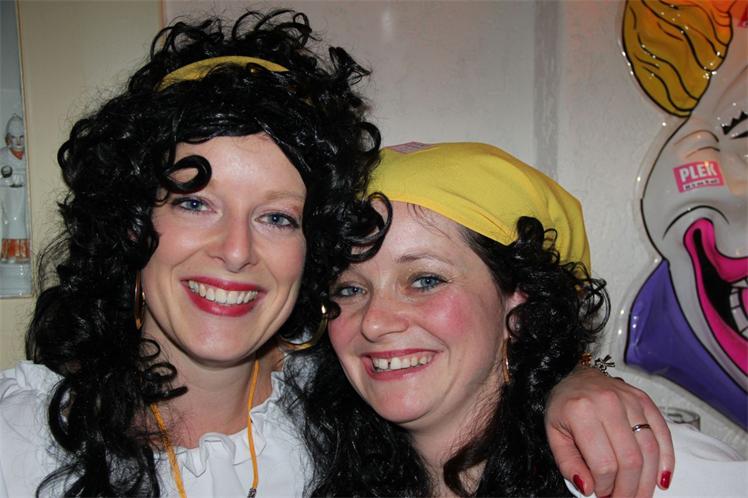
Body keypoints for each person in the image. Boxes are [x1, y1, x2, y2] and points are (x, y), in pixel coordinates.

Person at [0, 11, 673, 498]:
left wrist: (571, 377)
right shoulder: (20, 437)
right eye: (195, 203)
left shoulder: (335, 408)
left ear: (311, 249)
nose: (235, 251)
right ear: (129, 224)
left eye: (276, 217)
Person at [297, 142, 744, 497]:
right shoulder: (309, 461)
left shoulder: (638, 469)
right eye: (349, 289)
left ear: (519, 302)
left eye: (425, 280)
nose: (374, 322)